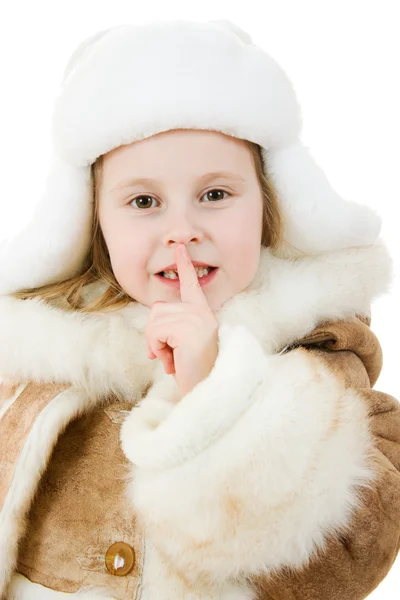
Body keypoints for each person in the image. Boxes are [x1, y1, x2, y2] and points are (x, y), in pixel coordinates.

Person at [0, 18, 399, 600]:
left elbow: (356, 548)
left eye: (215, 194)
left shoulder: (318, 347)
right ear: (95, 223)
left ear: (267, 205)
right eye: (143, 201)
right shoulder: (37, 353)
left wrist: (216, 386)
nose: (181, 231)